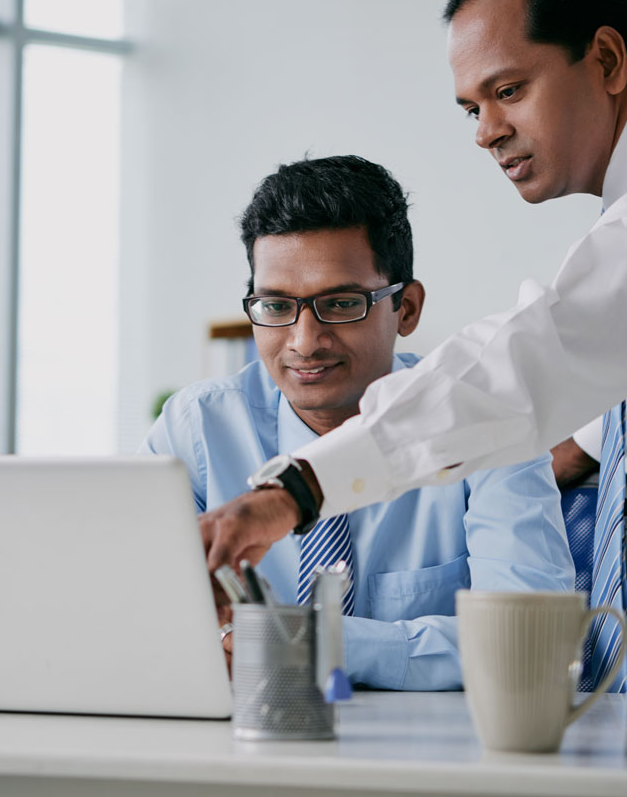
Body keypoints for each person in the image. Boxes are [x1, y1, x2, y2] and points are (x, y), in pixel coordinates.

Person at [199, 0, 627, 698]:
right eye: (472, 107)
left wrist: (298, 490)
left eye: (509, 90)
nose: (485, 131)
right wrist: (547, 453)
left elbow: (543, 349)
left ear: (605, 60)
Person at [143, 154, 574, 691]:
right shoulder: (197, 428)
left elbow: (530, 641)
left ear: (407, 309)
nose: (304, 342)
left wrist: (305, 639)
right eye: (276, 307)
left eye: (341, 303)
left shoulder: (489, 423)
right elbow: (141, 616)